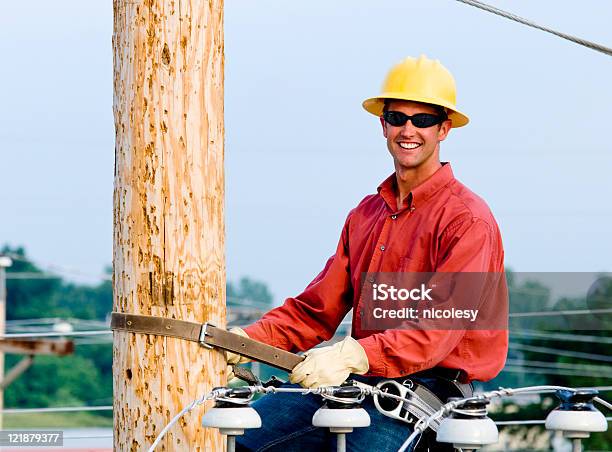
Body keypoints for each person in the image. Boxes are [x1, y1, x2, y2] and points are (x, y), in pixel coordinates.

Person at [229, 55, 508, 452]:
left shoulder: (467, 221)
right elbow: (314, 311)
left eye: (423, 120)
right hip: (360, 382)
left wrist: (354, 353)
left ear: (444, 129)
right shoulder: (366, 215)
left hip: (427, 396)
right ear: (383, 124)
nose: (408, 130)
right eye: (397, 118)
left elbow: (437, 331)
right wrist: (243, 339)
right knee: (243, 440)